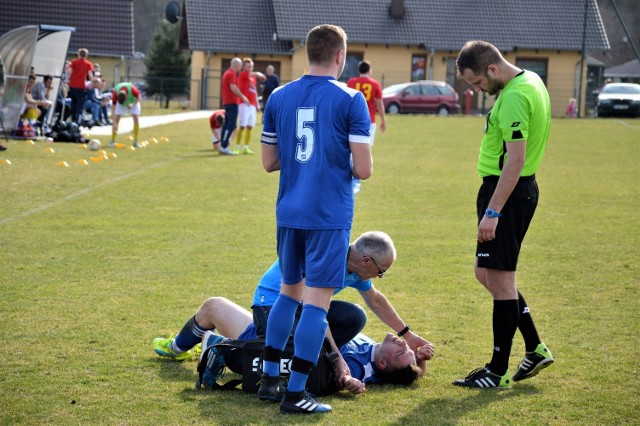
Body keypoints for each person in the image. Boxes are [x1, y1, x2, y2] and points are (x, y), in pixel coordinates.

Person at [260, 24, 373, 414]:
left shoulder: (278, 96)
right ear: (340, 56)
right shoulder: (352, 100)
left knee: (289, 293)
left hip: (289, 211)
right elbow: (364, 169)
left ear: (308, 54)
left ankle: (269, 379)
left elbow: (269, 162)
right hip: (327, 215)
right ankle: (294, 394)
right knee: (317, 304)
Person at [153, 231, 434, 367]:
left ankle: (308, 356)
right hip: (272, 304)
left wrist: (406, 333)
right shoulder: (327, 258)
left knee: (355, 316)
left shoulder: (355, 267)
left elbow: (376, 300)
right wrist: (337, 358)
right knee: (292, 340)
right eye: (381, 271)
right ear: (367, 260)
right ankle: (201, 347)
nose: (379, 276)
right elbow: (314, 313)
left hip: (304, 307)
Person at [452, 40, 554, 389]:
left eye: (477, 83)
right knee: (488, 274)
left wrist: (493, 211)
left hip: (506, 194)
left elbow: (515, 159)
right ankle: (535, 348)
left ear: (492, 69)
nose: (478, 90)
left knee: (499, 280)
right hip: (509, 192)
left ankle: (497, 370)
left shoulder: (512, 97)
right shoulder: (531, 80)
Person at [155, 297, 429, 394]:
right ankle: (215, 346)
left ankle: (183, 348)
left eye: (401, 352)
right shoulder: (375, 356)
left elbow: (341, 377)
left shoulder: (358, 366)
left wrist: (347, 381)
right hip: (286, 334)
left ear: (382, 364)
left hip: (278, 341)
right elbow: (407, 374)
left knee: (213, 307)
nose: (403, 345)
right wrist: (421, 361)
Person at [347, 60, 386, 145]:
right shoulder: (375, 84)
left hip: (353, 118)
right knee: (367, 147)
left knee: (352, 147)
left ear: (359, 70)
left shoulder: (351, 82)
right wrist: (383, 120)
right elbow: (379, 105)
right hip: (369, 119)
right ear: (369, 70)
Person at [234, 58, 265, 155]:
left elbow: (254, 90)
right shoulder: (242, 74)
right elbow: (254, 74)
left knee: (250, 126)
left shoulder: (253, 77)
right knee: (242, 126)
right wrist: (258, 73)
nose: (250, 68)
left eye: (251, 66)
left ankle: (246, 148)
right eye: (248, 66)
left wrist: (257, 104)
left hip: (251, 105)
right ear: (244, 67)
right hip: (244, 104)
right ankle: (237, 147)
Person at [219, 57, 249, 156]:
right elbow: (233, 88)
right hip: (231, 103)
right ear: (237, 65)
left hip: (228, 102)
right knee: (231, 125)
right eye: (240, 65)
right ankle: (224, 146)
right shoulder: (231, 74)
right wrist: (243, 97)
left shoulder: (228, 73)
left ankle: (223, 145)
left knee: (227, 124)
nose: (241, 68)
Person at [108, 82, 142, 148]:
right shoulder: (115, 93)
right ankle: (112, 141)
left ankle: (135, 142)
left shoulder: (132, 89)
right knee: (117, 120)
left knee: (136, 119)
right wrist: (114, 122)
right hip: (120, 105)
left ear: (127, 96)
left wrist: (132, 104)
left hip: (133, 101)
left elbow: (139, 98)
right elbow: (113, 108)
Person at [67, 48, 94, 123]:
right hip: (81, 87)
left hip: (72, 86)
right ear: (86, 55)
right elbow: (90, 75)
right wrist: (91, 83)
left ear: (78, 54)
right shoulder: (88, 64)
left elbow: (69, 71)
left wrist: (66, 80)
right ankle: (78, 122)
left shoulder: (73, 62)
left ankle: (73, 119)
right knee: (80, 106)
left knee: (73, 104)